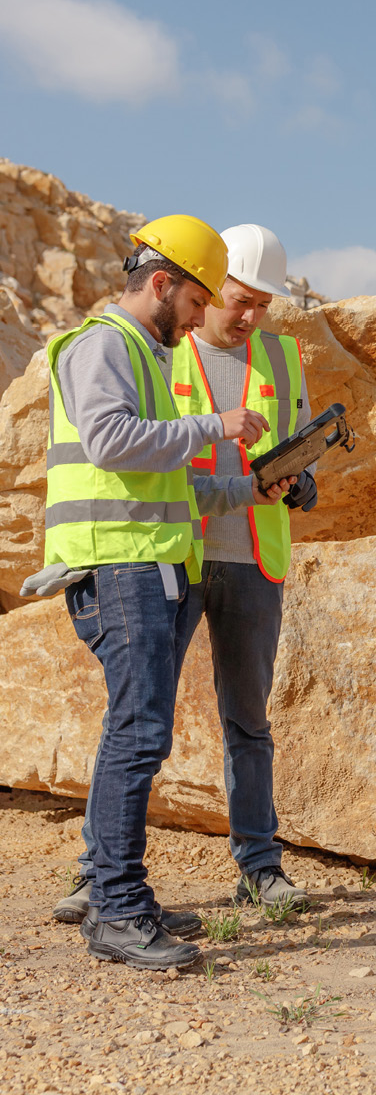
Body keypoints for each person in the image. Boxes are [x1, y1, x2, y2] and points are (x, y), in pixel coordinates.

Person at [35, 215, 293, 971]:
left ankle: (124, 901)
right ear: (162, 282)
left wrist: (249, 485)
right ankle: (114, 907)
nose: (200, 315)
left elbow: (172, 484)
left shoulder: (145, 355)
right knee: (139, 734)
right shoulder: (106, 345)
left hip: (145, 562)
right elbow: (112, 441)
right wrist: (212, 423)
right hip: (117, 566)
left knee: (138, 731)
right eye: (197, 299)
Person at [167, 223, 315, 908]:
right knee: (137, 719)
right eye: (241, 300)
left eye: (264, 305)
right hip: (175, 553)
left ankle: (260, 866)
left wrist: (303, 479)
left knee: (249, 723)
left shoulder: (283, 360)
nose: (251, 316)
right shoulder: (162, 352)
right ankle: (98, 868)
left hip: (255, 558)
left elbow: (297, 446)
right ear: (211, 285)